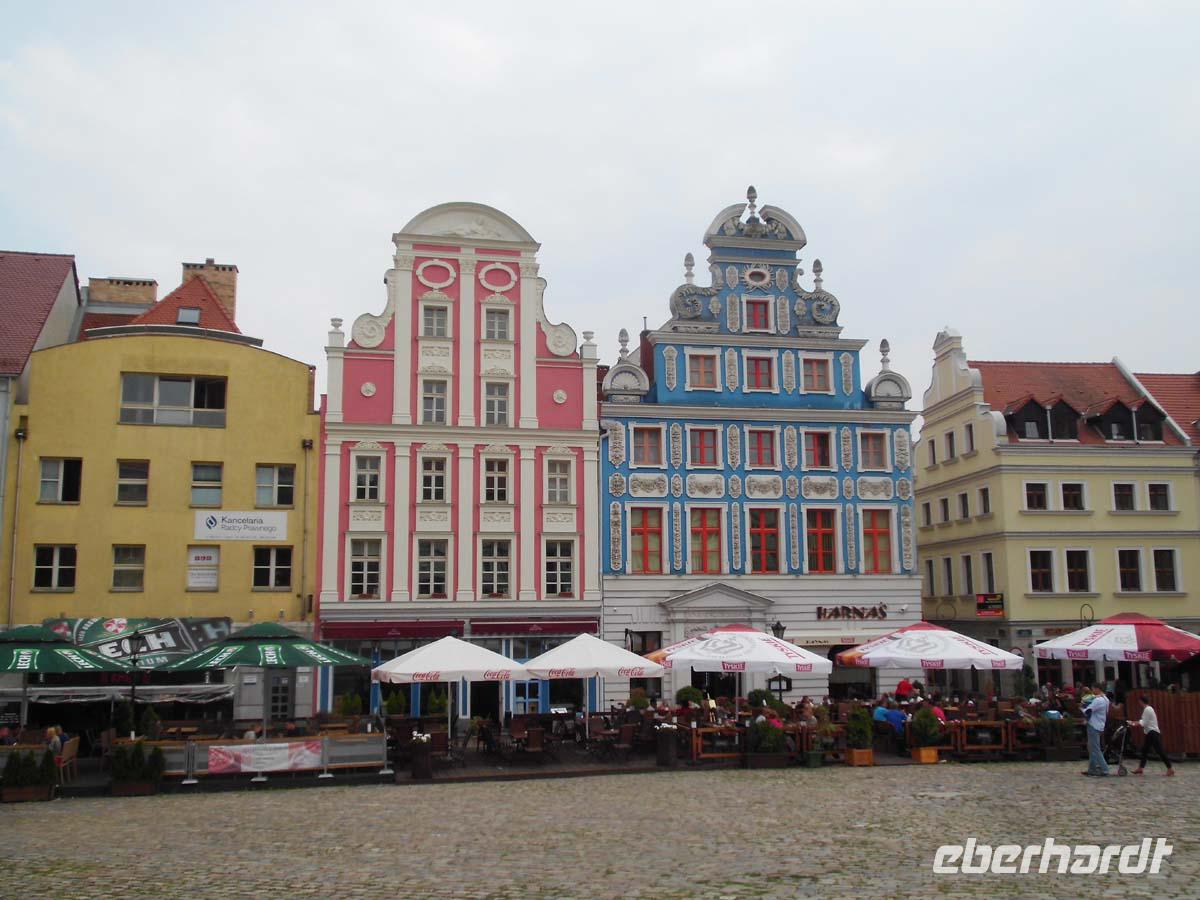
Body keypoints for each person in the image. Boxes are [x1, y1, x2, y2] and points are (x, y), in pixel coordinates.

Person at [1129, 695, 1174, 776]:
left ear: (1141, 701)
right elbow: (1144, 721)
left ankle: (1170, 768)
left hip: (1152, 732)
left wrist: (1133, 723)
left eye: (1139, 701)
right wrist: (1134, 722)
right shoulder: (1148, 709)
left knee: (1160, 751)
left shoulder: (1147, 709)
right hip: (1149, 733)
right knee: (1145, 750)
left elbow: (1143, 723)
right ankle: (1141, 768)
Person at [1081, 684, 1109, 776]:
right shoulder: (1106, 699)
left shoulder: (1098, 700)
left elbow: (1088, 710)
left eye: (1093, 689)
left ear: (1097, 689)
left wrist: (1081, 708)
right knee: (1092, 747)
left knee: (1095, 748)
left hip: (1094, 724)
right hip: (1100, 724)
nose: (1092, 691)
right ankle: (1092, 769)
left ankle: (1104, 769)